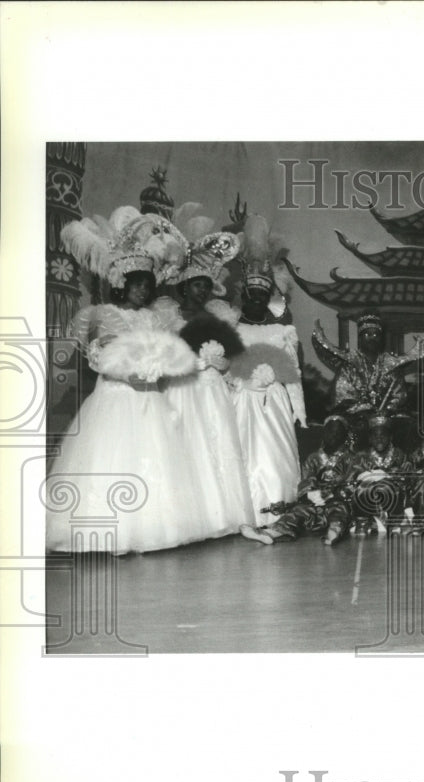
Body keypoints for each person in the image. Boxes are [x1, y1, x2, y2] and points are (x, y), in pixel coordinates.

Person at [47, 206, 207, 554]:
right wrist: (128, 374)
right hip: (118, 396)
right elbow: (100, 357)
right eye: (136, 285)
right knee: (115, 460)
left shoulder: (153, 318)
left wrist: (158, 370)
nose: (142, 291)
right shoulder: (106, 314)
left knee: (157, 459)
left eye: (147, 286)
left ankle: (155, 529)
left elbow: (163, 352)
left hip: (150, 397)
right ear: (121, 284)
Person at [156, 229, 256, 538]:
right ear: (184, 287)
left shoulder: (218, 316)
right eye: (196, 285)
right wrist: (193, 362)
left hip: (212, 389)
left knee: (218, 444)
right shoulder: (168, 316)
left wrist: (218, 363)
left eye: (205, 286)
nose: (201, 292)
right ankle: (191, 520)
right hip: (184, 387)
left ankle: (223, 517)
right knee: (190, 446)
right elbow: (164, 358)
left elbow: (230, 360)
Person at [227, 215, 307, 526]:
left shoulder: (281, 332)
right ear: (244, 297)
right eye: (252, 296)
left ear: (267, 297)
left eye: (263, 296)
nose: (258, 301)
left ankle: (279, 509)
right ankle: (244, 513)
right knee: (244, 456)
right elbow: (225, 371)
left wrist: (299, 412)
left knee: (275, 456)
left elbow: (293, 376)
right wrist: (239, 383)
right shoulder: (233, 330)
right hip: (243, 401)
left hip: (274, 402)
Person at [239, 415, 358, 546]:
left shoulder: (351, 459)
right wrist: (310, 494)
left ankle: (334, 533)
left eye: (337, 432)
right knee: (298, 512)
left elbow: (352, 484)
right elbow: (307, 479)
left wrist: (331, 495)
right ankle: (270, 533)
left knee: (338, 514)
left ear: (344, 435)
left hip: (337, 501)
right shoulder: (314, 458)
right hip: (315, 503)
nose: (333, 435)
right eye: (329, 431)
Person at [313, 310, 422, 441]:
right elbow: (343, 395)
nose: (372, 338)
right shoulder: (349, 364)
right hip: (356, 416)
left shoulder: (391, 365)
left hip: (387, 416)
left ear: (382, 339)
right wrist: (364, 410)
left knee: (408, 425)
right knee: (338, 425)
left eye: (376, 334)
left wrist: (387, 410)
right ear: (360, 338)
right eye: (367, 334)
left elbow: (399, 396)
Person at [351, 413, 412, 533]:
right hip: (368, 499)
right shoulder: (362, 456)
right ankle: (367, 520)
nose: (379, 439)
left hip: (393, 498)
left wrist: (401, 474)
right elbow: (353, 478)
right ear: (370, 438)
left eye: (383, 435)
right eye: (375, 435)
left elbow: (406, 480)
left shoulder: (399, 454)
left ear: (390, 437)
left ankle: (395, 521)